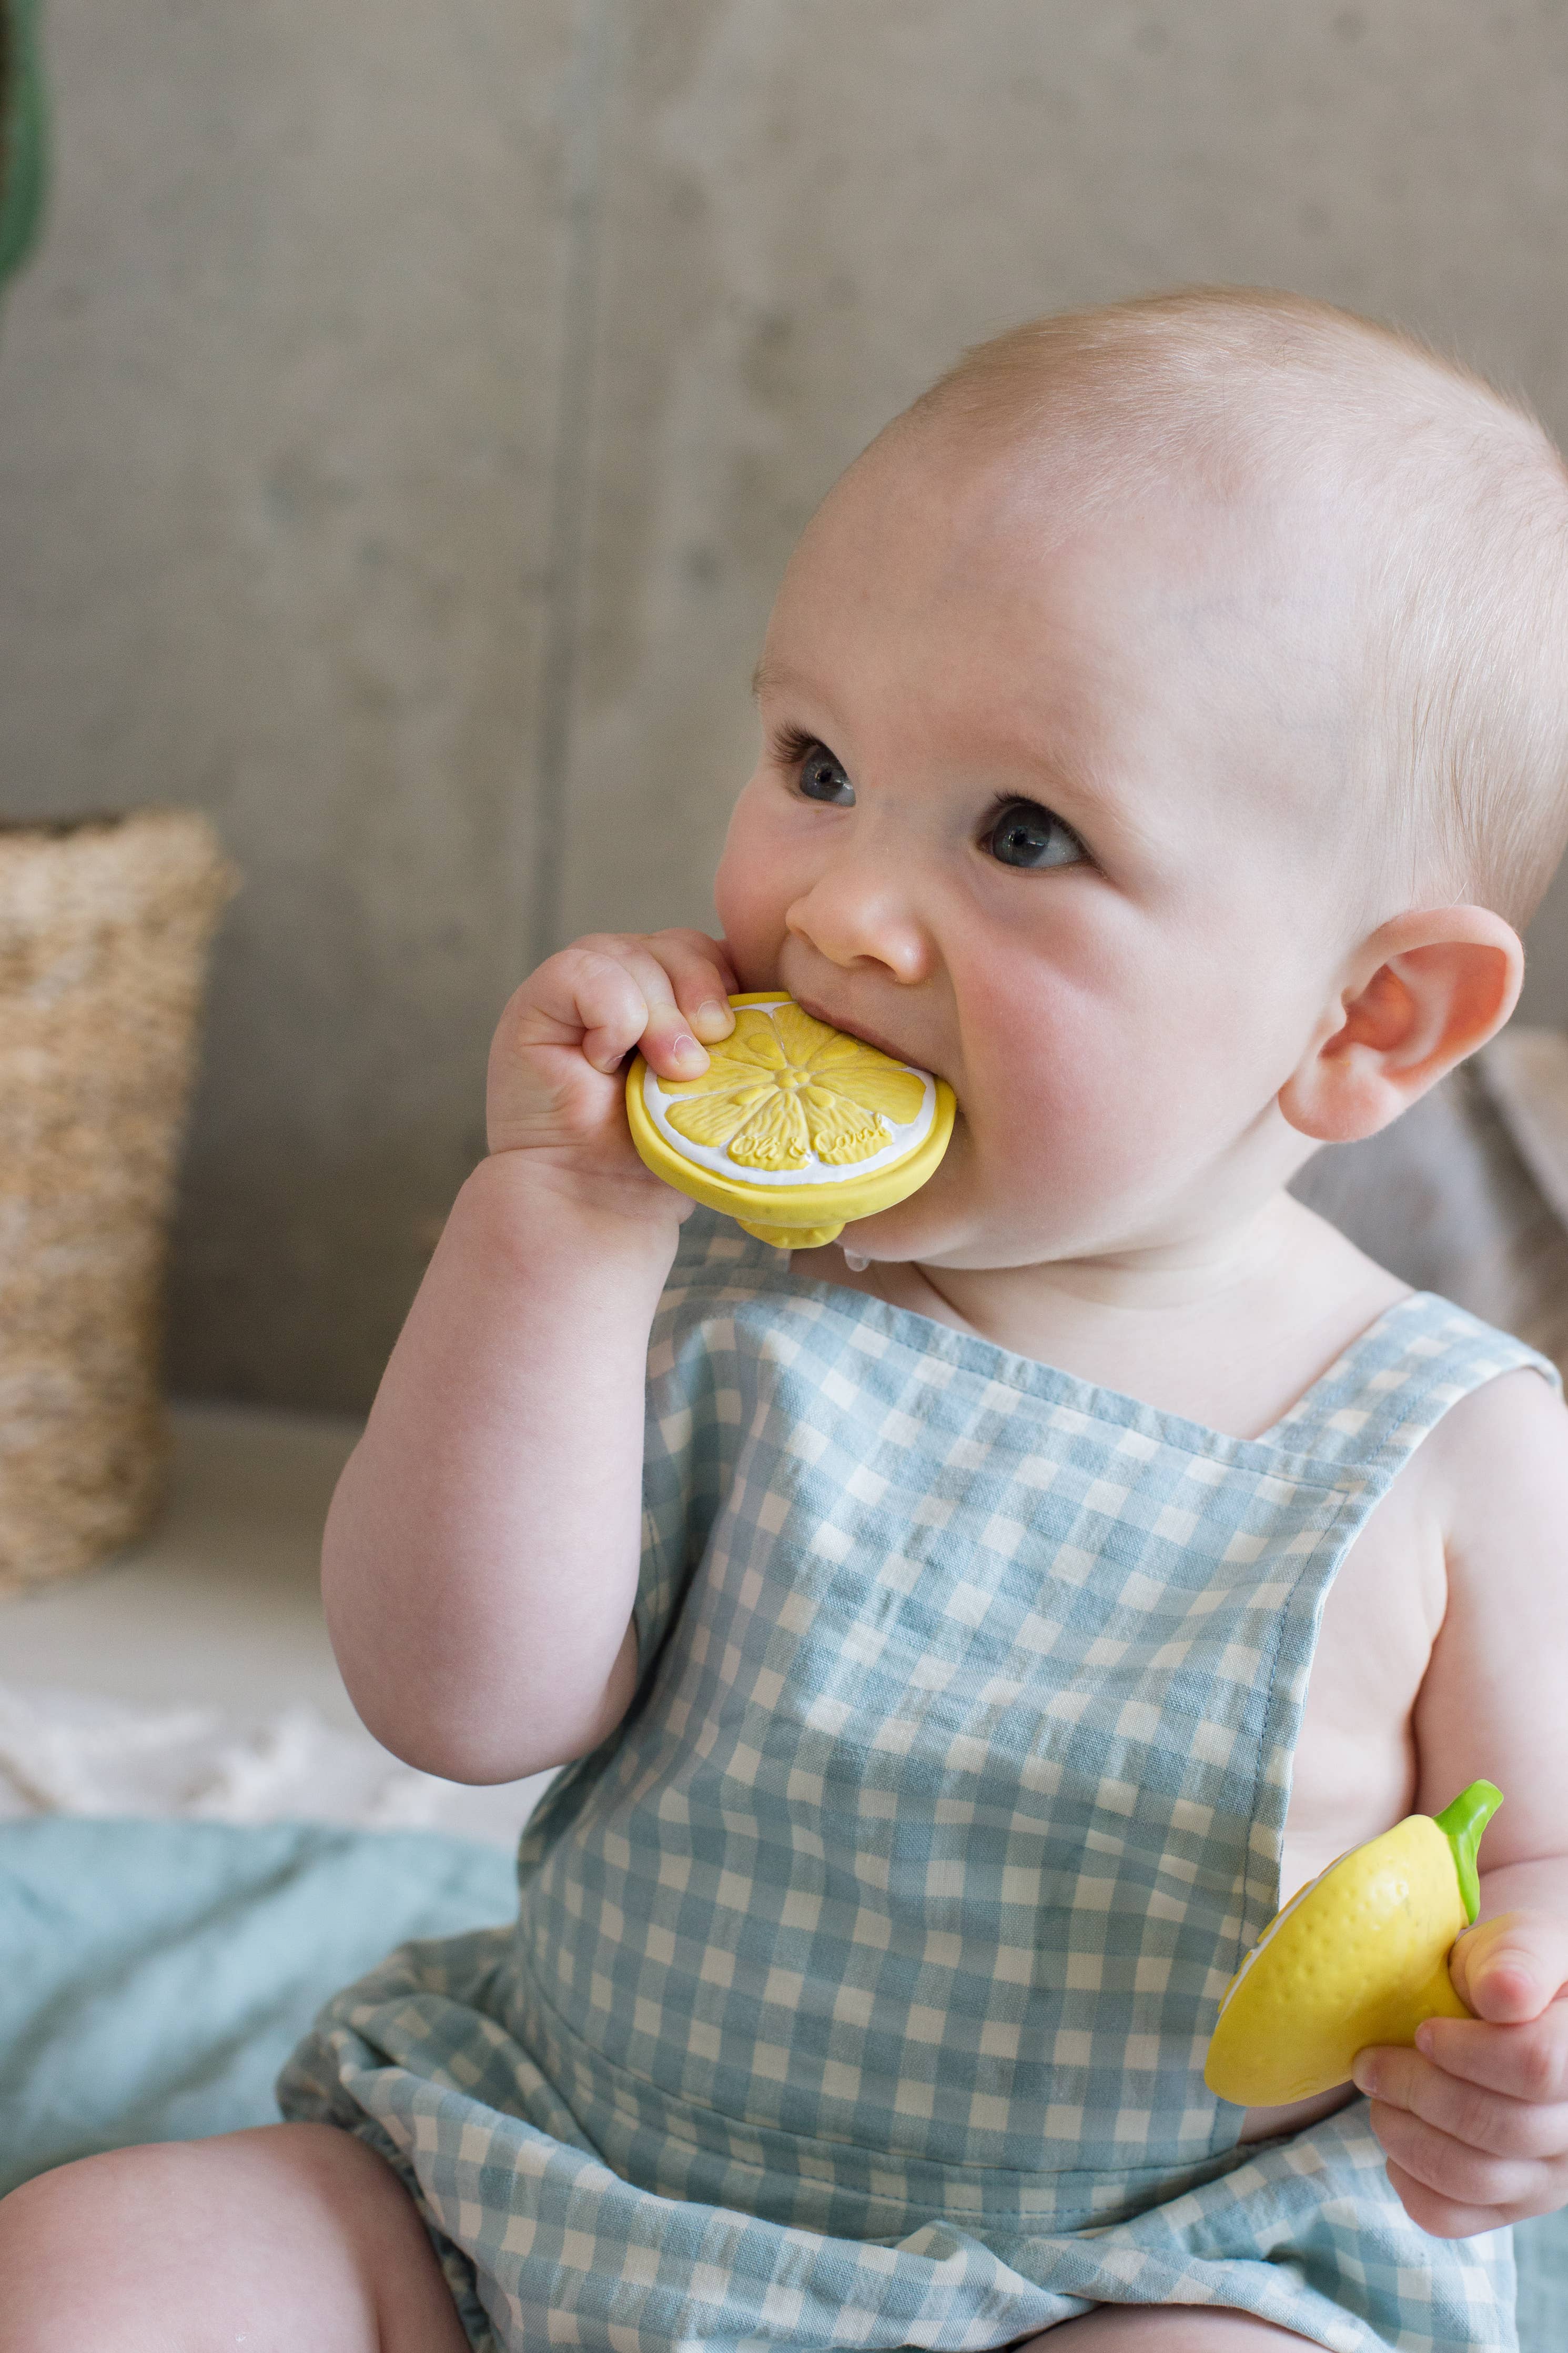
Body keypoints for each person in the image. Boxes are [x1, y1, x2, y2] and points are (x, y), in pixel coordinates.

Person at [6, 285, 1568, 2352]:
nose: (835, 905)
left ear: (1366, 1014)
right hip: (540, 2170)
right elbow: (452, 1699)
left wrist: (1512, 2047)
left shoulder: (1446, 1445)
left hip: (1103, 2271)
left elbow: (1533, 1871)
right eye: (816, 762)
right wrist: (547, 1229)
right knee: (105, 2257)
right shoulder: (705, 1273)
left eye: (1024, 832)